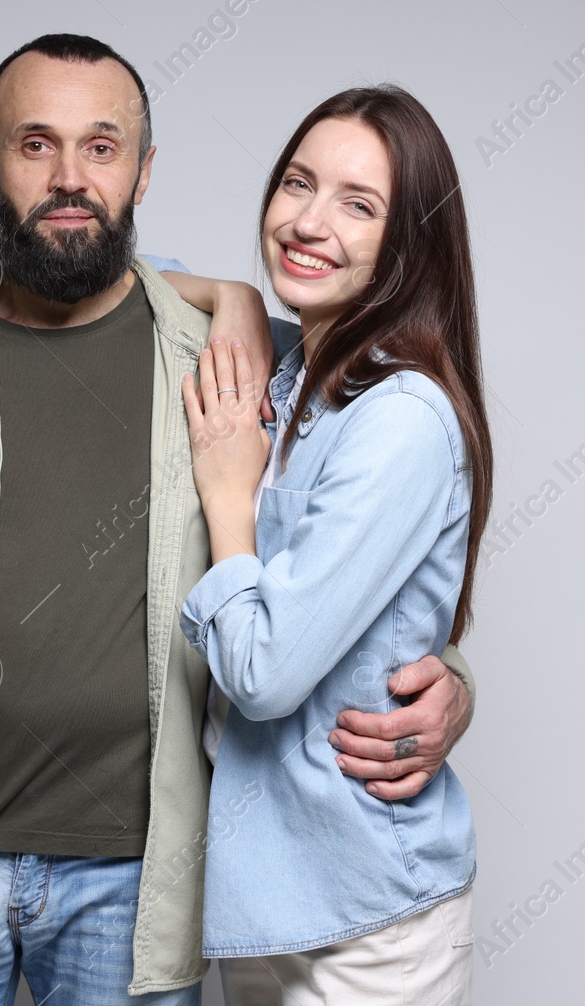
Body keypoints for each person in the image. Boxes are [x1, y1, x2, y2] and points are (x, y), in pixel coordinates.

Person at [0, 35, 477, 1005]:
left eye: (102, 146)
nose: (70, 177)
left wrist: (449, 680)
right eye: (34, 144)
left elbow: (354, 573)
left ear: (144, 168)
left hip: (145, 878)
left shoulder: (236, 366)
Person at [162, 86, 492, 1004]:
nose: (309, 221)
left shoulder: (403, 419)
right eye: (297, 183)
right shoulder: (289, 365)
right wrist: (231, 293)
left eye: (359, 203)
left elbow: (264, 673)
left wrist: (230, 497)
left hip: (365, 911)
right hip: (262, 892)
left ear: (408, 243)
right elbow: (117, 271)